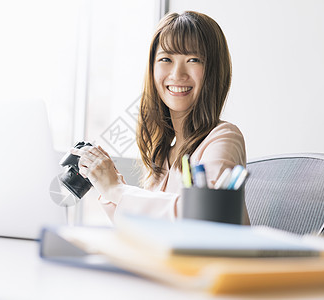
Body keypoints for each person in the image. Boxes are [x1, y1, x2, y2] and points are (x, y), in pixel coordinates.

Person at [70, 11, 249, 224]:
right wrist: (108, 186)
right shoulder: (163, 153)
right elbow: (151, 227)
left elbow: (202, 217)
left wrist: (117, 190)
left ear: (213, 70)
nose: (177, 74)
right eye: (166, 59)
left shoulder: (223, 138)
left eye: (193, 59)